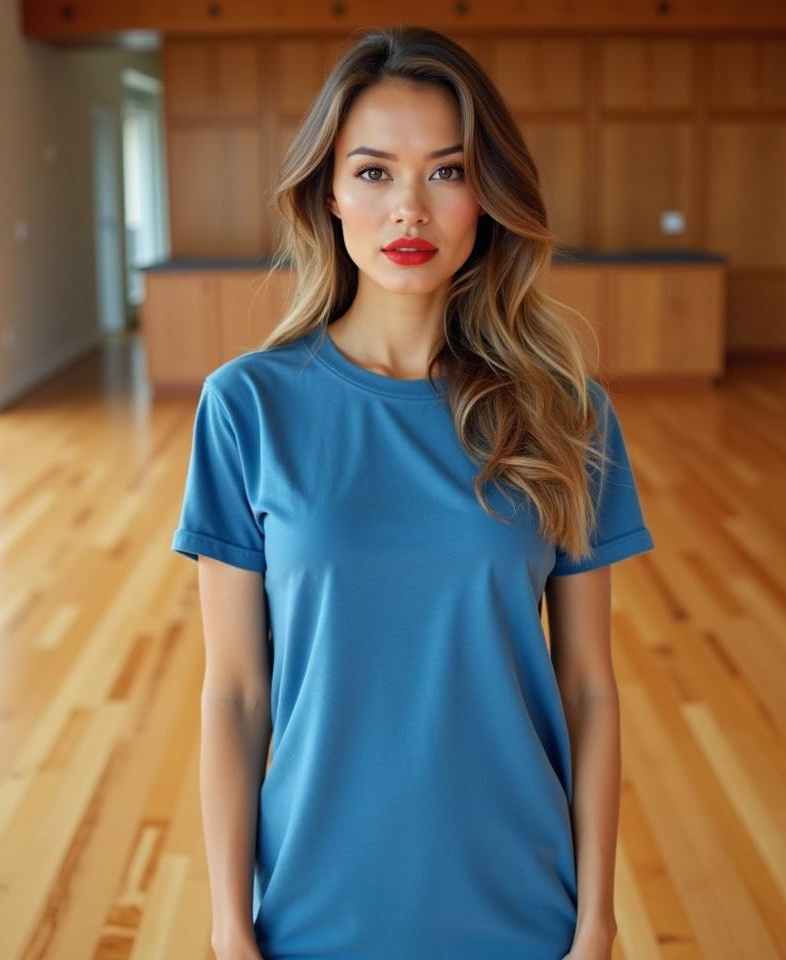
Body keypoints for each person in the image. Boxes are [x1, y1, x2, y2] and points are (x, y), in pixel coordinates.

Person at [172, 24, 655, 960]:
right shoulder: (247, 406)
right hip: (315, 906)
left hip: (524, 904)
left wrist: (595, 922)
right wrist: (231, 930)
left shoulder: (565, 411)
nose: (410, 212)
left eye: (446, 171)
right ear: (328, 193)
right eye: (374, 172)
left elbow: (589, 687)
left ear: (488, 196)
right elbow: (234, 693)